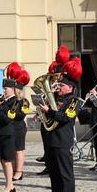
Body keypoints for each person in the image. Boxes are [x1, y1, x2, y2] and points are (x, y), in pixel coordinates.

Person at [39, 57, 82, 192]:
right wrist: (43, 114)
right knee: (54, 173)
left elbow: (66, 117)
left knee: (65, 173)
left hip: (63, 141)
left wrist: (49, 112)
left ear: (70, 87)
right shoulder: (57, 99)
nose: (58, 87)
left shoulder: (74, 101)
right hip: (51, 139)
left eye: (61, 85)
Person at [36, 46, 69, 175]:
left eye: (57, 75)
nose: (55, 78)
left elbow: (63, 103)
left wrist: (56, 91)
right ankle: (48, 165)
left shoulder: (65, 86)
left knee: (54, 145)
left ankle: (53, 167)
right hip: (48, 116)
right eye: (54, 76)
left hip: (57, 118)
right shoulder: (52, 85)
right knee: (47, 143)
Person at [0, 62, 20, 192]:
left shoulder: (15, 102)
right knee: (2, 160)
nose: (4, 90)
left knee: (7, 161)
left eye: (6, 88)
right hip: (1, 133)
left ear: (13, 89)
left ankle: (8, 186)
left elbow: (8, 118)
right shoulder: (5, 101)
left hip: (9, 134)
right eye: (3, 88)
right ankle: (10, 186)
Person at [12, 69, 30, 181]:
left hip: (19, 127)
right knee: (12, 150)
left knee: (19, 150)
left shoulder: (24, 102)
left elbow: (21, 115)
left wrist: (10, 113)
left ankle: (19, 172)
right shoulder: (11, 100)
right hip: (10, 127)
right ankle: (14, 170)